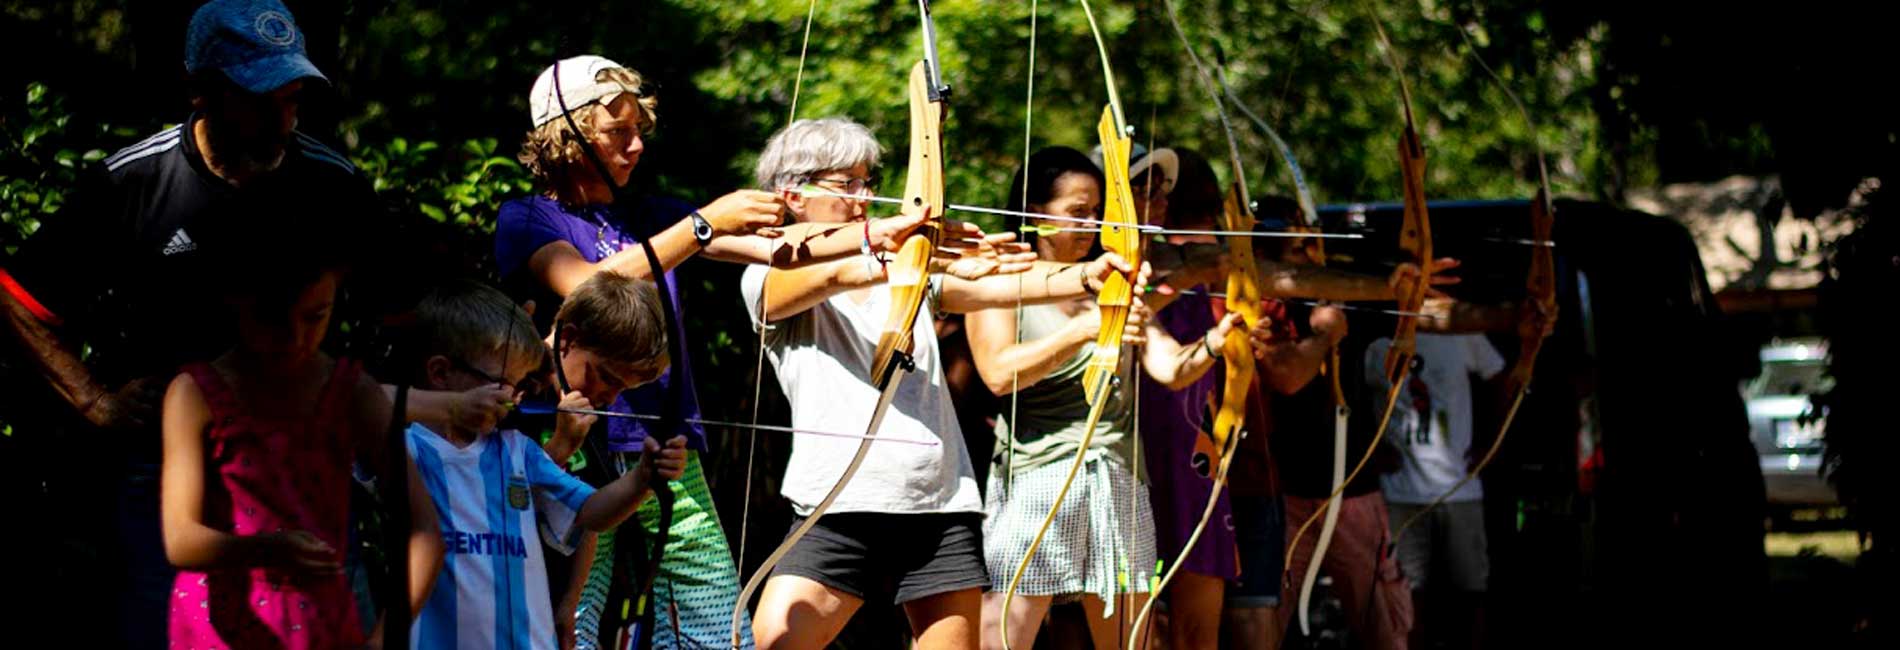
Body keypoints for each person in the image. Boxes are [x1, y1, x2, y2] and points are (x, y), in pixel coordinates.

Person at [493, 56, 932, 649]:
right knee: (572, 619)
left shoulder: (648, 214)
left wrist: (876, 235)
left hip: (667, 446)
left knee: (712, 626)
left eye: (639, 132)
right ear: (568, 137)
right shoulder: (527, 217)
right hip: (576, 442)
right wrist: (701, 226)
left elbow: (777, 244)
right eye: (617, 133)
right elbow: (589, 285)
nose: (636, 146)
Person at [0, 1, 397, 644]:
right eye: (261, 98)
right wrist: (93, 398)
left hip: (305, 471)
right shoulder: (133, 182)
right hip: (163, 474)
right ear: (201, 93)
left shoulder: (331, 183)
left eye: (293, 98)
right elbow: (17, 296)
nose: (283, 118)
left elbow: (398, 308)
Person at [740, 117, 1120, 650]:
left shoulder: (908, 265)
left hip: (940, 505)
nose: (864, 197)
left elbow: (998, 286)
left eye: (867, 182)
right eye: (846, 184)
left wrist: (1089, 277)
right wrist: (905, 252)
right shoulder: (766, 272)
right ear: (793, 195)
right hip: (839, 506)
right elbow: (831, 275)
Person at [970, 145, 1271, 650]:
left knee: (1133, 639)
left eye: (1096, 212)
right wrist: (1085, 330)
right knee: (1005, 633)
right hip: (1039, 477)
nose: (1091, 224)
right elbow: (999, 374)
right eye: (1077, 212)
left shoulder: (1110, 286)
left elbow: (1171, 367)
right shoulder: (999, 282)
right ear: (1035, 212)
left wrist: (1218, 342)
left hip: (1117, 476)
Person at [158, 221, 442, 648]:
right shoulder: (195, 394)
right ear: (236, 298)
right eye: (273, 318)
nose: (294, 338)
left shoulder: (351, 393)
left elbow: (424, 529)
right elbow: (180, 539)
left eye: (316, 316)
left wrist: (382, 639)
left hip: (322, 629)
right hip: (215, 633)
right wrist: (267, 549)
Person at [398, 277, 687, 649]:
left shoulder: (518, 447)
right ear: (439, 373)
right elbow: (357, 402)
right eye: (505, 383)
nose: (515, 397)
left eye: (518, 385)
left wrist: (643, 478)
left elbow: (589, 514)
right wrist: (454, 408)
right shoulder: (404, 449)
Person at [1366, 333, 1505, 650]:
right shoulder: (1378, 343)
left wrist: (1490, 445)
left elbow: (1502, 379)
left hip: (1459, 489)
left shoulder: (1459, 332)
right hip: (1400, 493)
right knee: (1406, 595)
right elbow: (1351, 393)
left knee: (1470, 592)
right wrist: (1373, 450)